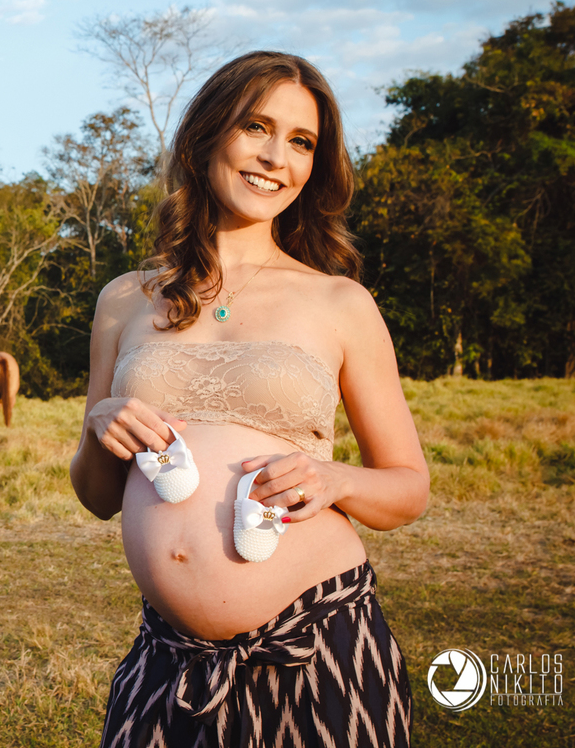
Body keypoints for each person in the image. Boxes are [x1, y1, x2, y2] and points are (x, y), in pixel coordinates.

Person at [70, 51, 429, 748]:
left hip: (319, 643)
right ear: (209, 134)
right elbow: (97, 495)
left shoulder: (340, 303)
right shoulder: (123, 300)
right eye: (256, 127)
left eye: (301, 142)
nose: (275, 157)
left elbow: (408, 489)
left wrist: (333, 480)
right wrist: (99, 428)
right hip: (171, 658)